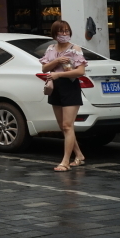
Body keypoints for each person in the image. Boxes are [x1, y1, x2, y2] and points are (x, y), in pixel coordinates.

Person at [40, 19, 87, 172]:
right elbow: (45, 67)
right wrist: (58, 60)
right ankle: (79, 155)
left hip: (70, 86)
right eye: (61, 31)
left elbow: (80, 71)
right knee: (63, 126)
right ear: (54, 33)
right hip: (55, 87)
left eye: (67, 31)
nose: (64, 34)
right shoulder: (51, 48)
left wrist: (59, 75)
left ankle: (65, 161)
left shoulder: (75, 49)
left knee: (67, 125)